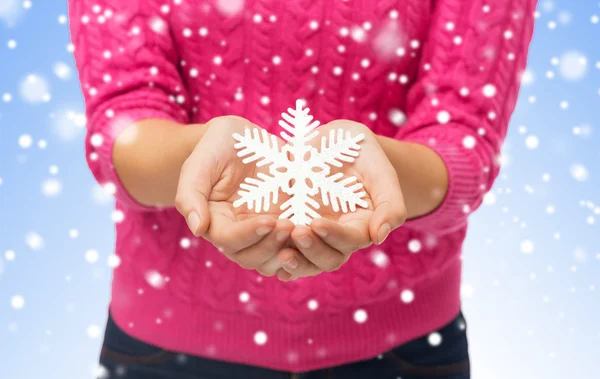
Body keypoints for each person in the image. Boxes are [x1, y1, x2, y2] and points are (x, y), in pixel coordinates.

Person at [69, 0, 536, 378]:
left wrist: (373, 168)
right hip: (166, 349)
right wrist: (197, 158)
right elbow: (120, 121)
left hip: (401, 351)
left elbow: (464, 135)